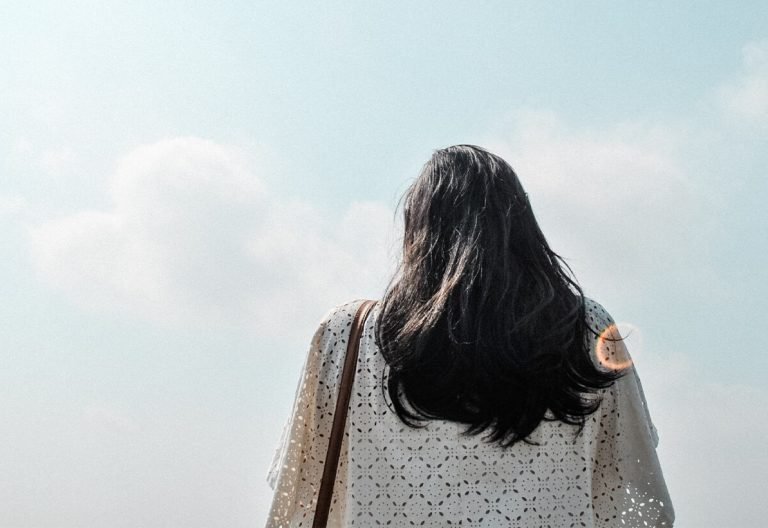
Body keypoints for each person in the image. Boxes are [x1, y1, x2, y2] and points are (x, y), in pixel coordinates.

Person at [266, 145, 674, 527]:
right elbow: (639, 498)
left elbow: (297, 498)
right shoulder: (585, 328)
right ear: (523, 230)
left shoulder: (346, 334)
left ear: (418, 231)